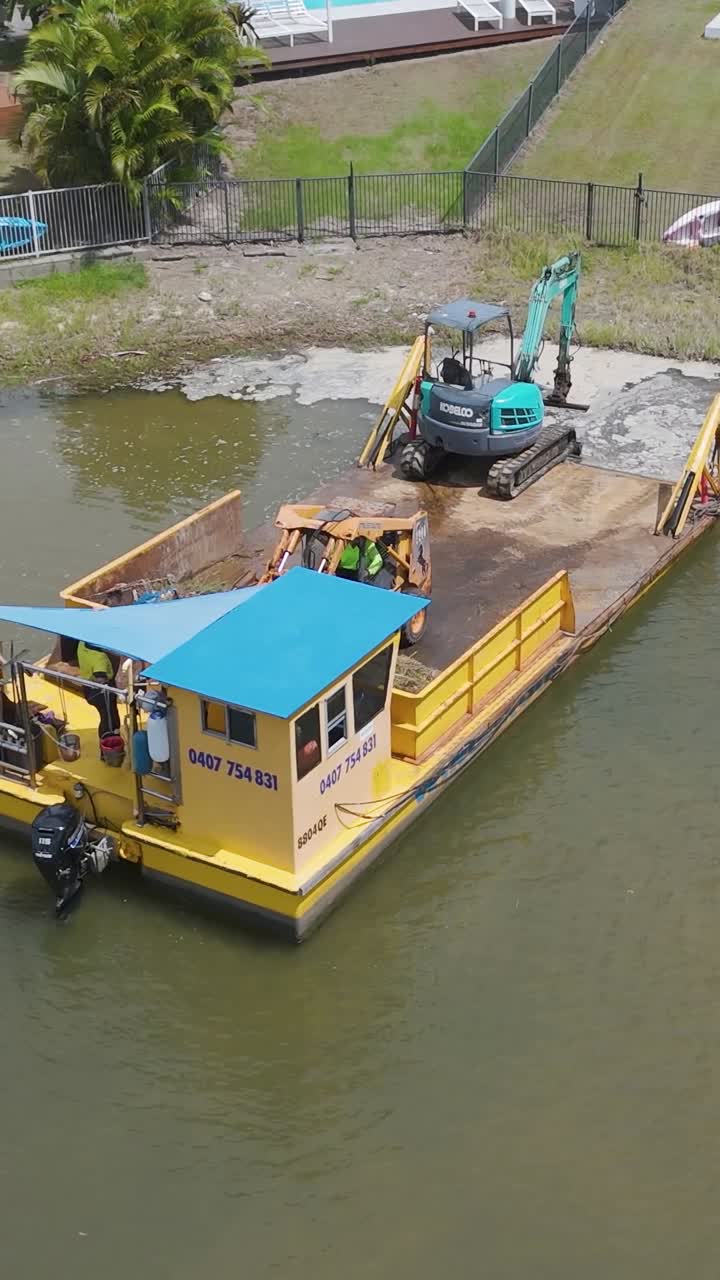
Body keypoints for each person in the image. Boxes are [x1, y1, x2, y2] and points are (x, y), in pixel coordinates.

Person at [77, 641, 121, 740]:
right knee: (109, 719)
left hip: (87, 688)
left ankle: (110, 736)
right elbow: (100, 679)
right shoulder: (100, 659)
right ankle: (109, 744)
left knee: (108, 716)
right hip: (100, 692)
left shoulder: (82, 644)